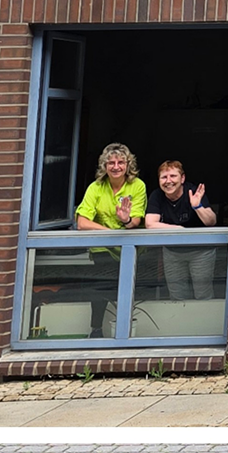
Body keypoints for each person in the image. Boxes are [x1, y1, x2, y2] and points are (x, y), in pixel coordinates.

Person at [72, 143, 146, 337]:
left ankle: (125, 332)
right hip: (102, 247)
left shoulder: (137, 185)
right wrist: (109, 232)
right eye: (111, 163)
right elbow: (82, 223)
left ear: (128, 165)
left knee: (126, 288)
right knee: (101, 286)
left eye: (121, 162)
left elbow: (135, 222)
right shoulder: (96, 187)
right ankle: (96, 330)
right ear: (104, 166)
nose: (116, 167)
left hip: (129, 248)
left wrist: (126, 219)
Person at [144, 159, 219, 300]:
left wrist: (197, 206)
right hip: (173, 252)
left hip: (201, 251)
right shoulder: (157, 195)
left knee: (203, 294)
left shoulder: (193, 192)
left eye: (173, 176)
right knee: (177, 296)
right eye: (164, 177)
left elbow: (211, 221)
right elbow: (150, 224)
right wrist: (178, 229)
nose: (168, 181)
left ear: (182, 178)